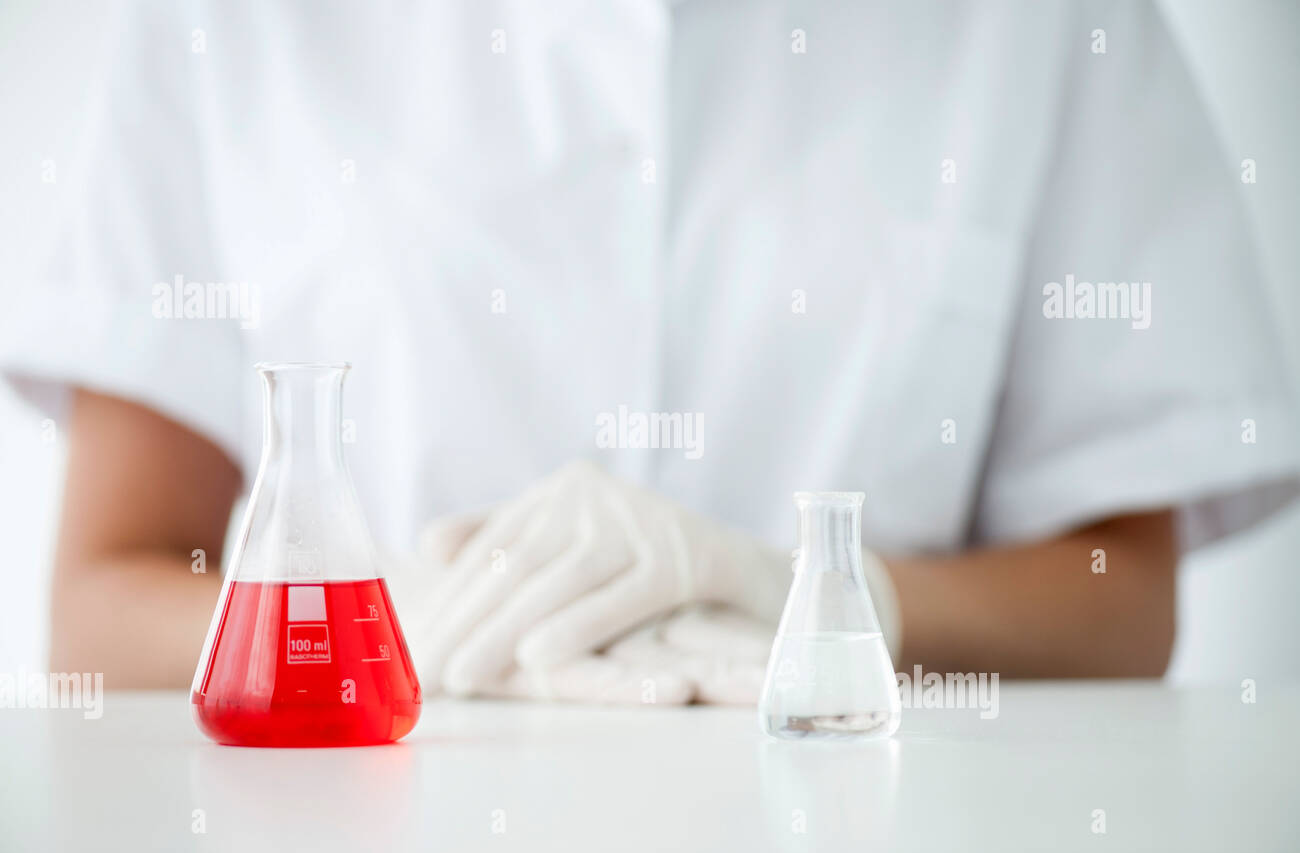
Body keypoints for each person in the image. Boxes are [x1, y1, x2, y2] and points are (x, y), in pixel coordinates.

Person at [3, 0, 1296, 701]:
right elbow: (102, 604)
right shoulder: (228, 27)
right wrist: (393, 614)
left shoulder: (1042, 26)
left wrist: (815, 595)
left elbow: (1121, 593)